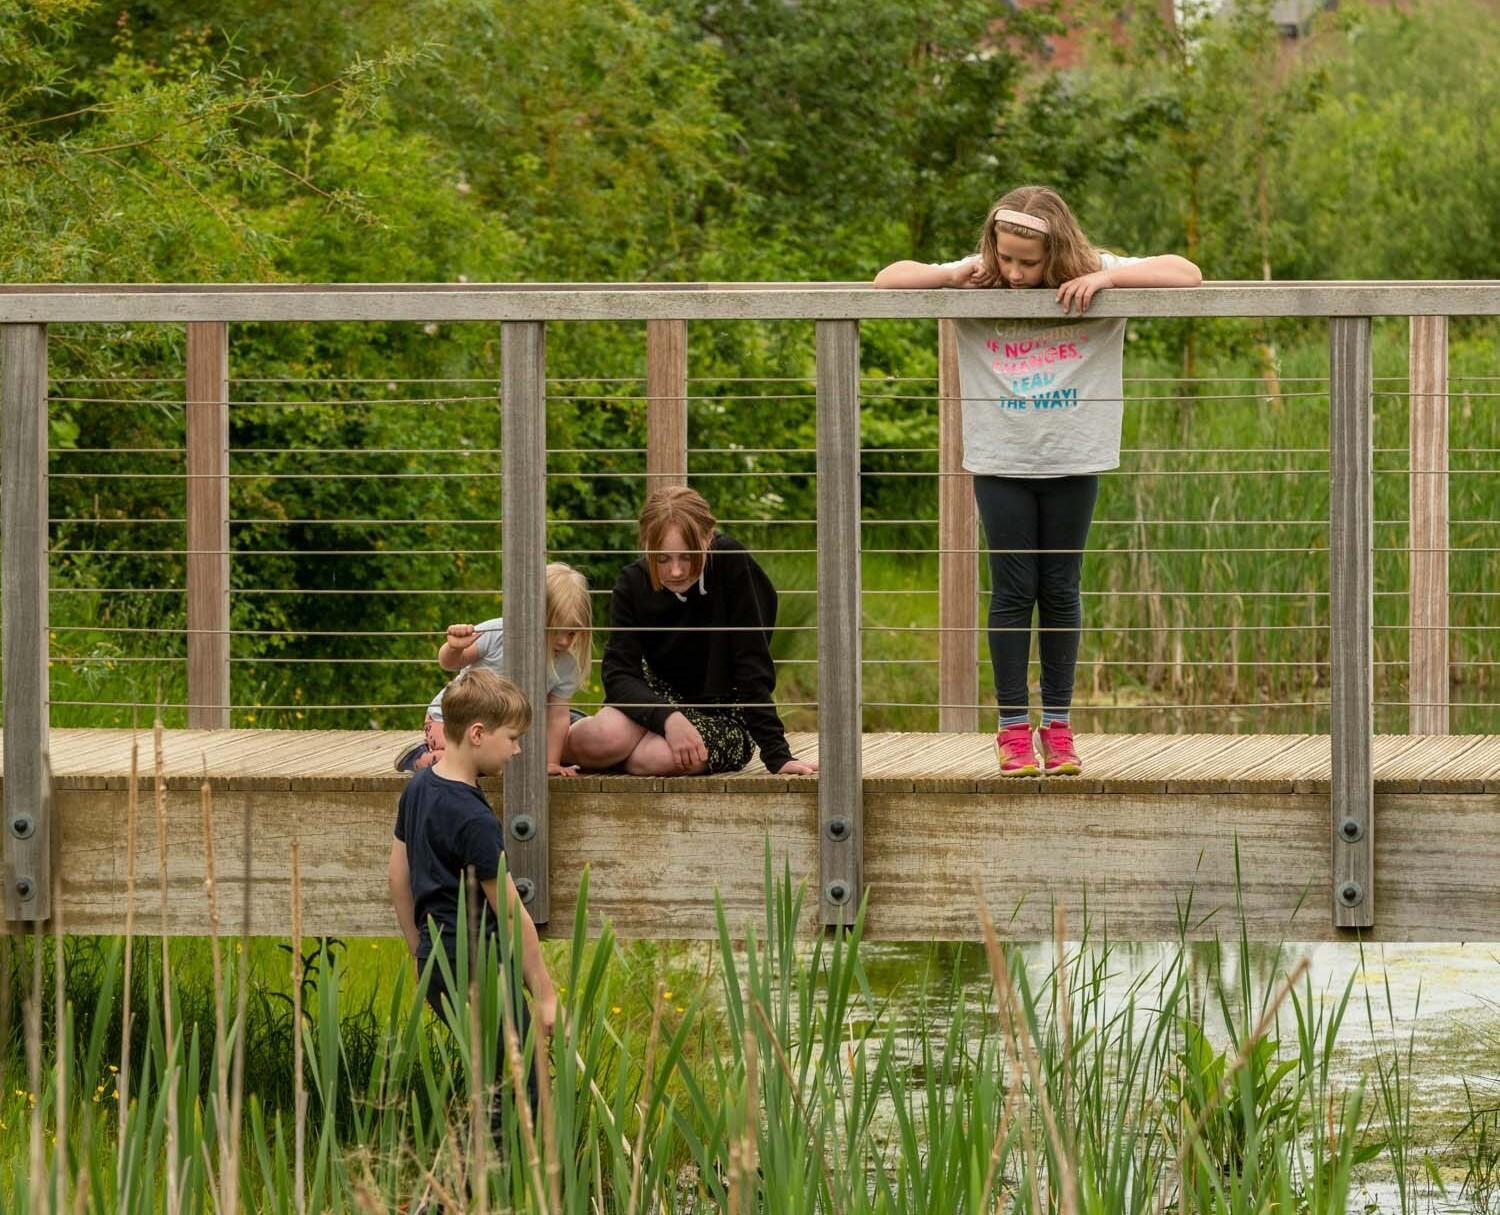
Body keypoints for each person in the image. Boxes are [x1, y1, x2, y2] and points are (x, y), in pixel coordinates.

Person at [874, 184, 1201, 777]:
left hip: (1075, 458)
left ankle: (1059, 725)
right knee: (1012, 590)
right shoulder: (979, 276)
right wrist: (953, 277)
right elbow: (886, 281)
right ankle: (1011, 730)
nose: (1018, 274)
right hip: (1001, 462)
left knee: (1061, 590)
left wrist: (1106, 281)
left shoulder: (1095, 269)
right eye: (1008, 259)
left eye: (1031, 263)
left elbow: (1188, 273)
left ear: (1059, 250)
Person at [387, 668, 557, 1139]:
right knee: (523, 1087)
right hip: (476, 967)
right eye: (514, 738)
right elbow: (508, 909)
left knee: (493, 1079)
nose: (518, 749)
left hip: (438, 961)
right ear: (478, 734)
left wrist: (418, 948)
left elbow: (397, 875)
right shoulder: (473, 818)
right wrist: (544, 992)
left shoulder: (418, 787)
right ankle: (467, 1191)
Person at [566, 486, 818, 777]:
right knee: (596, 740)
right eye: (662, 559)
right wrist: (668, 718)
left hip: (724, 714)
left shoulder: (732, 564)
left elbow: (752, 664)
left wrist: (777, 754)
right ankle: (592, 735)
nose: (675, 571)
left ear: (708, 538)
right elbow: (618, 673)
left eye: (687, 557)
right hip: (655, 698)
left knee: (655, 759)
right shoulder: (631, 583)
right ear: (647, 545)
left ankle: (628, 752)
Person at [395, 561, 592, 776]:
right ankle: (418, 756)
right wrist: (454, 647)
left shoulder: (565, 663)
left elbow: (558, 716)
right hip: (452, 721)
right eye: (555, 631)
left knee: (501, 761)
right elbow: (449, 663)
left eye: (572, 632)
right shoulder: (499, 633)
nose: (564, 642)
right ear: (534, 616)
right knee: (466, 763)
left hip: (499, 731)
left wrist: (550, 762)